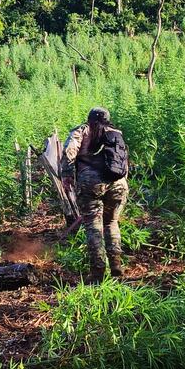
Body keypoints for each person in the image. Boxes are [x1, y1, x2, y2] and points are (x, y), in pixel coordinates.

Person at [61, 107, 129, 284]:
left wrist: (67, 174)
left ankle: (98, 273)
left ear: (89, 118)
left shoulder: (82, 130)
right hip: (118, 182)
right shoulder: (116, 133)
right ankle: (116, 267)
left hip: (91, 182)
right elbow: (123, 160)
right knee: (111, 222)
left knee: (93, 226)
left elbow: (69, 150)